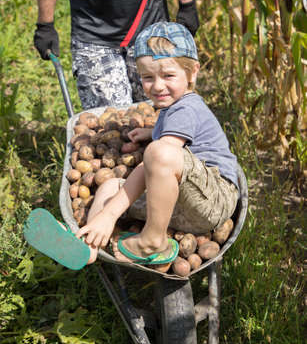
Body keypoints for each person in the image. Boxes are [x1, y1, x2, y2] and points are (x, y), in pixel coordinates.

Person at [24, 21, 238, 270]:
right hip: (184, 209)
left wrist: (110, 214)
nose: (157, 86)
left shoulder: (187, 108)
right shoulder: (171, 110)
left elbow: (161, 156)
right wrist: (151, 131)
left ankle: (153, 241)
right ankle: (89, 246)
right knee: (108, 187)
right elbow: (168, 146)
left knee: (157, 153)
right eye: (147, 77)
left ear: (193, 73)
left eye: (168, 76)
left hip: (214, 198)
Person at [33, 0, 199, 110]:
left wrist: (187, 3)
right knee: (112, 123)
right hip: (92, 32)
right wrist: (45, 24)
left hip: (149, 28)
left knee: (160, 114)